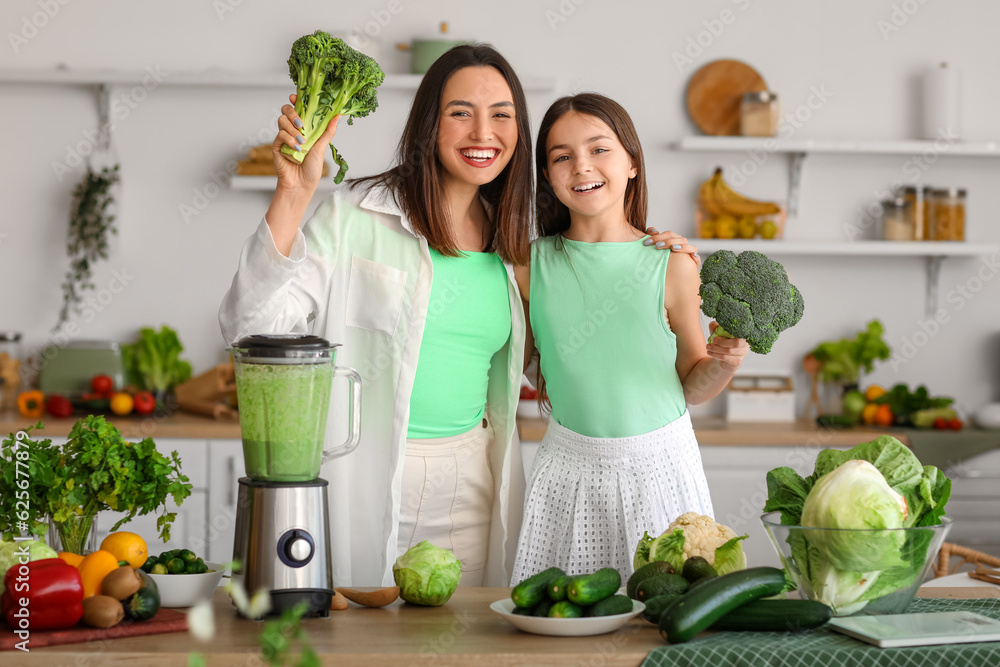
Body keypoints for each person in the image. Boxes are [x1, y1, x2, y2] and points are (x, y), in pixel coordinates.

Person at [220, 43, 697, 587]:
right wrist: (292, 192)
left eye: (501, 115)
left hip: (474, 481)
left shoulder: (513, 246)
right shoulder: (357, 213)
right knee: (360, 639)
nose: (482, 133)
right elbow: (250, 328)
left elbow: (568, 351)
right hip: (368, 470)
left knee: (464, 642)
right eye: (460, 113)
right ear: (429, 123)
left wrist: (644, 261)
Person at [510, 93, 750, 583]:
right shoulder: (526, 266)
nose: (582, 166)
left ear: (632, 163)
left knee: (667, 618)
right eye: (562, 157)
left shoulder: (674, 264)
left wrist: (724, 363)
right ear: (548, 178)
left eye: (600, 149)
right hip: (566, 473)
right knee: (561, 621)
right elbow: (529, 363)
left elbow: (690, 384)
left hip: (662, 469)